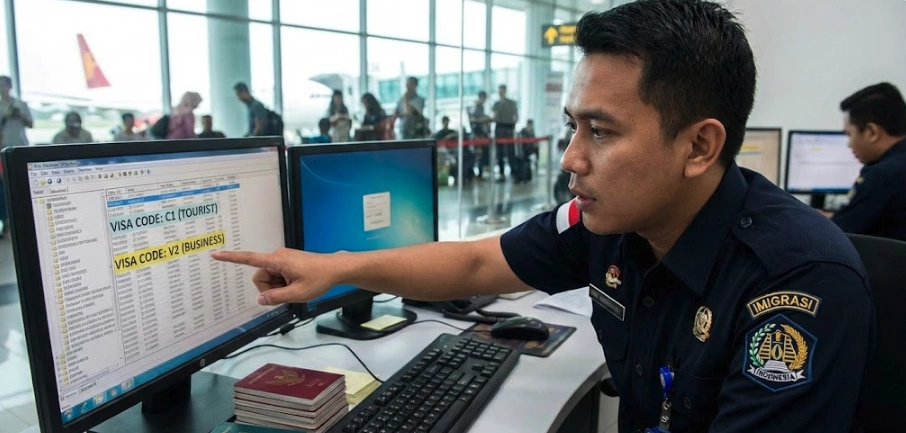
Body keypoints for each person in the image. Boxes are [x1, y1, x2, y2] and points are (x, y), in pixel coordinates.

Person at [213, 1, 874, 432]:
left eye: (601, 132)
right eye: (570, 126)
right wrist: (333, 268)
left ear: (699, 146)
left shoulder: (797, 281)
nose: (571, 159)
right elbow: (478, 261)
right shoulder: (606, 223)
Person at [828, 82, 906, 241]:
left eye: (849, 135)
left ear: (872, 132)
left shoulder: (882, 176)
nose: (849, 145)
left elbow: (837, 235)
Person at [0, 75, 32, 238]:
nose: (1, 87)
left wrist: (21, 115)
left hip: (20, 147)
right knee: (3, 186)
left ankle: (24, 219)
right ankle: (6, 222)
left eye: (3, 84)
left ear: (9, 86)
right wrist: (5, 115)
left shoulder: (20, 104)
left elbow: (31, 124)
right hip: (2, 150)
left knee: (22, 185)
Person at [492, 84, 518, 182]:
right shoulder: (496, 104)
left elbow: (516, 116)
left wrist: (514, 124)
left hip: (508, 128)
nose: (500, 93)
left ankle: (514, 172)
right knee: (500, 152)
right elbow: (494, 116)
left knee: (511, 152)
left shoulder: (511, 103)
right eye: (499, 91)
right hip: (499, 128)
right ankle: (501, 173)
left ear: (505, 91)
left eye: (502, 91)